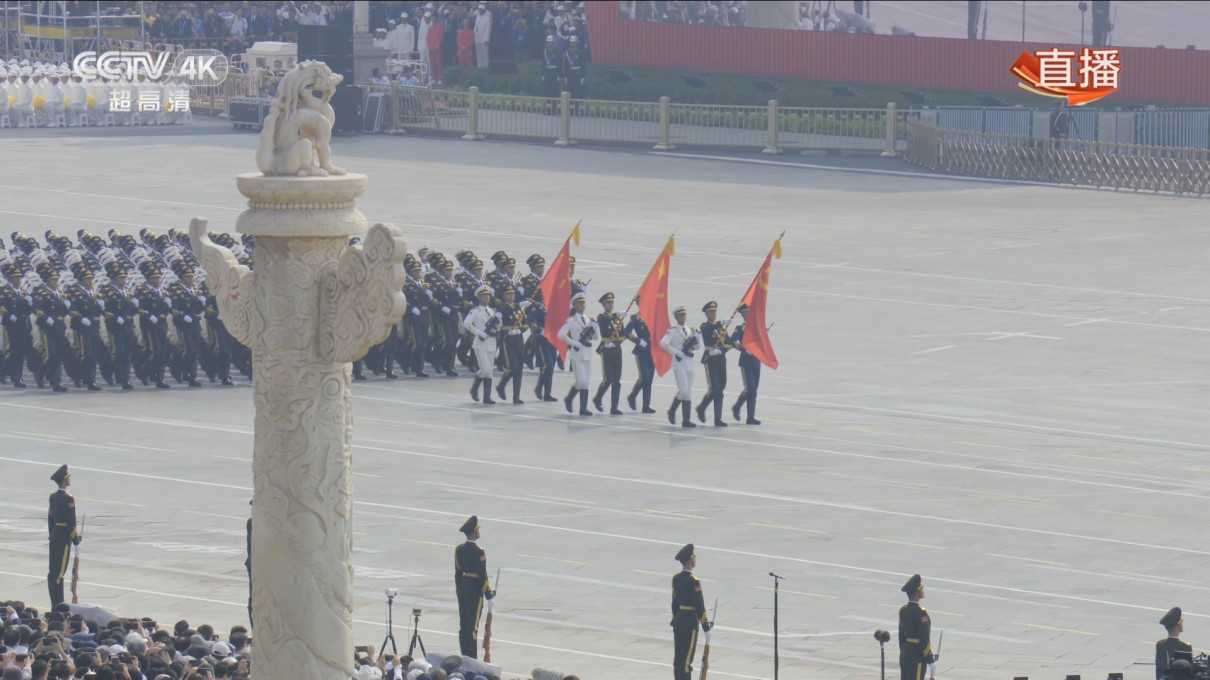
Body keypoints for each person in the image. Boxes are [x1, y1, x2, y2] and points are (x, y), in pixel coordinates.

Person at [454, 515, 494, 659]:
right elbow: (481, 576)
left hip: (463, 588)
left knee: (463, 626)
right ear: (475, 532)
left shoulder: (459, 549)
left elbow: (457, 573)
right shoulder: (478, 551)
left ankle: (464, 655)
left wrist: (459, 590)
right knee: (472, 628)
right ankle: (471, 658)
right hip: (474, 591)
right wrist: (489, 595)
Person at [670, 543, 710, 680]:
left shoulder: (676, 578)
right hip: (689, 623)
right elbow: (699, 606)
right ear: (690, 561)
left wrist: (675, 620)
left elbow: (674, 603)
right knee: (686, 661)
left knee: (678, 660)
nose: (695, 560)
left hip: (679, 621)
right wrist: (706, 626)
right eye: (694, 557)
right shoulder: (694, 581)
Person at [98, 262, 138, 390]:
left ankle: (125, 379)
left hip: (127, 326)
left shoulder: (127, 291)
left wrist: (135, 306)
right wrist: (115, 317)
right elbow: (105, 309)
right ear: (114, 279)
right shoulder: (107, 290)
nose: (124, 280)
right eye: (121, 278)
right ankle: (110, 372)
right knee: (117, 352)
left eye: (124, 278)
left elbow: (131, 309)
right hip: (114, 327)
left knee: (127, 354)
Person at [65, 262, 104, 391]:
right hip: (81, 328)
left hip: (93, 326)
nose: (90, 281)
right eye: (88, 279)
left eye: (91, 279)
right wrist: (81, 318)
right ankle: (78, 377)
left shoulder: (93, 292)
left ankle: (90, 381)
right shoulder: (73, 291)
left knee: (93, 355)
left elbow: (97, 309)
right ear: (81, 280)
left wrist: (101, 306)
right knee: (83, 354)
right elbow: (71, 308)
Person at [557, 291, 596, 416]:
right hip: (577, 353)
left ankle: (583, 409)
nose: (582, 305)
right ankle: (569, 398)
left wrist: (595, 328)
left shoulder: (589, 320)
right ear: (574, 305)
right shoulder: (571, 320)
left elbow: (595, 337)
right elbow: (560, 335)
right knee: (582, 381)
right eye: (579, 303)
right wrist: (574, 343)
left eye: (583, 303)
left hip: (587, 352)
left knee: (586, 382)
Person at [134, 261, 172, 389]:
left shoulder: (162, 291)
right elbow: (139, 307)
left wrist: (168, 306)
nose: (157, 280)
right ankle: (144, 372)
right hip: (149, 326)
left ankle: (159, 379)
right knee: (153, 352)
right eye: (155, 278)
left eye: (158, 278)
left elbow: (167, 309)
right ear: (148, 279)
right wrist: (149, 315)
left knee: (162, 352)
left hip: (161, 325)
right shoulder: (142, 290)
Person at [32, 263, 70, 392]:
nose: (55, 282)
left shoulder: (60, 294)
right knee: (51, 356)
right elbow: (37, 308)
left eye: (56, 280)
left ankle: (56, 383)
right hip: (47, 329)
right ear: (47, 281)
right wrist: (46, 318)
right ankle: (39, 373)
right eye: (53, 280)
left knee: (58, 356)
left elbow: (64, 310)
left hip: (59, 328)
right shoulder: (42, 293)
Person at [660, 306, 700, 428]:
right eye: (680, 315)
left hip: (689, 362)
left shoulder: (690, 330)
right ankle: (672, 410)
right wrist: (676, 352)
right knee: (683, 390)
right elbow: (663, 343)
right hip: (679, 364)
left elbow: (697, 348)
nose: (682, 317)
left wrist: (697, 338)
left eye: (684, 315)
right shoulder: (672, 331)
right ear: (676, 317)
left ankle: (686, 420)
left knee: (688, 391)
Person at [695, 301, 732, 427]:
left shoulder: (721, 328)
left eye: (714, 311)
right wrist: (721, 322)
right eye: (711, 312)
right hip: (710, 360)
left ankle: (701, 407)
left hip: (721, 359)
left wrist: (721, 350)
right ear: (706, 314)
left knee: (720, 388)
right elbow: (707, 330)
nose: (713, 314)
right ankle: (718, 419)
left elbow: (729, 343)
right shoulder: (705, 326)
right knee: (716, 390)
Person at [47, 464, 80, 608]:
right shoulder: (69, 499)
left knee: (53, 572)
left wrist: (52, 535)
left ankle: (54, 603)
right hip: (64, 538)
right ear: (64, 480)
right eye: (68, 477)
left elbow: (50, 519)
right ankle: (59, 606)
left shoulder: (53, 497)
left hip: (55, 536)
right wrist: (76, 541)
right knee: (59, 574)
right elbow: (71, 523)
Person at [463, 285, 499, 404]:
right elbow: (467, 324)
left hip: (491, 343)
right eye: (484, 296)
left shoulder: (492, 311)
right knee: (486, 370)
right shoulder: (475, 311)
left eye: (488, 295)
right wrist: (479, 333)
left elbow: (498, 326)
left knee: (488, 371)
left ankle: (485, 396)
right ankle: (475, 390)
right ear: (478, 297)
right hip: (480, 344)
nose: (487, 297)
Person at [592, 292, 625, 415]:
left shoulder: (618, 319)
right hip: (606, 350)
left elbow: (623, 335)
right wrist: (617, 314)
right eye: (608, 303)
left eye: (612, 302)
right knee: (609, 378)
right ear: (603, 304)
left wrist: (616, 344)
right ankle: (597, 398)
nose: (610, 305)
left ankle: (614, 407)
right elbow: (604, 322)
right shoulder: (602, 317)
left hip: (616, 349)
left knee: (617, 379)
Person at [898, 574, 936, 680]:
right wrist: (930, 659)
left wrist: (904, 652)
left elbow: (901, 637)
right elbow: (924, 639)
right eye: (921, 589)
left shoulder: (903, 610)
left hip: (905, 654)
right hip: (917, 656)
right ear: (917, 592)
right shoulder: (920, 613)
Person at [0, 263, 32, 387]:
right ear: (9, 278)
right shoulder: (5, 291)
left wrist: (30, 303)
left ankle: (17, 377)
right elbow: (1, 305)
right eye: (15, 277)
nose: (18, 279)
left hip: (22, 325)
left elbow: (28, 309)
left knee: (19, 352)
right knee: (10, 351)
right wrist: (9, 315)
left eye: (19, 277)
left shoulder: (23, 291)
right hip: (10, 325)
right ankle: (4, 373)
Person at [494, 286, 526, 404]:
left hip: (518, 339)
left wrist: (520, 330)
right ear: (504, 296)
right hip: (508, 340)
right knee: (513, 367)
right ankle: (501, 386)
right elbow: (506, 311)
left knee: (519, 370)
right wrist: (520, 305)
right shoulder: (502, 307)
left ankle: (516, 396)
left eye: (513, 294)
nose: (511, 296)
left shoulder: (518, 309)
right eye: (509, 294)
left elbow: (526, 323)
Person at [729, 303, 761, 425]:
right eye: (746, 312)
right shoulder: (740, 328)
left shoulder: (756, 326)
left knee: (754, 390)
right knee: (750, 389)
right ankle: (737, 406)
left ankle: (750, 417)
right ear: (742, 315)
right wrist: (743, 348)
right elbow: (732, 341)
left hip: (756, 360)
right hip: (746, 361)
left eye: (749, 311)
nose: (749, 314)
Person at [624, 301, 656, 413]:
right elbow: (627, 332)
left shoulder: (653, 315)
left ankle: (646, 406)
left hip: (652, 351)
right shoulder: (636, 318)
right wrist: (638, 341)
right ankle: (632, 396)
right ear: (638, 303)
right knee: (645, 377)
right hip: (642, 351)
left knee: (650, 379)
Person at [403, 259, 432, 378]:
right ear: (410, 272)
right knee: (418, 344)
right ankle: (408, 362)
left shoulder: (424, 285)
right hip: (413, 318)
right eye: (415, 271)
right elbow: (403, 300)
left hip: (424, 317)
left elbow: (429, 302)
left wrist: (430, 296)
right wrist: (411, 308)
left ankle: (419, 369)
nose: (418, 273)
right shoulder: (407, 285)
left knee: (423, 344)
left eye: (419, 271)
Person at [1157, 607, 1193, 680]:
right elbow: (1189, 672)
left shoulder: (1160, 645)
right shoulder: (1186, 647)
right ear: (1177, 626)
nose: (1182, 625)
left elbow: (1158, 670)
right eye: (1181, 623)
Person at [424, 11, 445, 86]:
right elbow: (427, 38)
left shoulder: (440, 27)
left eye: (434, 18)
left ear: (436, 19)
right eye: (432, 18)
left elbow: (441, 37)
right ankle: (434, 78)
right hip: (431, 49)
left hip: (437, 49)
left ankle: (440, 79)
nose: (433, 20)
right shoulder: (430, 28)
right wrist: (429, 46)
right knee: (432, 64)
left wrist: (437, 46)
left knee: (438, 64)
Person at [473, 4, 492, 68]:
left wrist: (487, 39)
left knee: (484, 54)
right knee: (478, 54)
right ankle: (479, 65)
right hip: (477, 38)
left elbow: (488, 30)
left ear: (484, 10)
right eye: (479, 10)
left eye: (481, 10)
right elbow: (475, 28)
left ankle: (485, 66)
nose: (480, 11)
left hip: (484, 39)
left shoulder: (487, 18)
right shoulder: (477, 17)